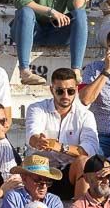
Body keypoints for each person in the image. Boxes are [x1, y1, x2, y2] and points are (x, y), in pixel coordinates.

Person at [26, 68, 99, 196]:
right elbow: (32, 134)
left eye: (70, 91)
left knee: (84, 161)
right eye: (60, 91)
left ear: (76, 90)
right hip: (41, 172)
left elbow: (90, 149)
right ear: (51, 90)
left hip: (70, 174)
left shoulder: (86, 115)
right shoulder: (36, 108)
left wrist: (59, 147)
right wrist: (38, 141)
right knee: (34, 163)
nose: (65, 96)